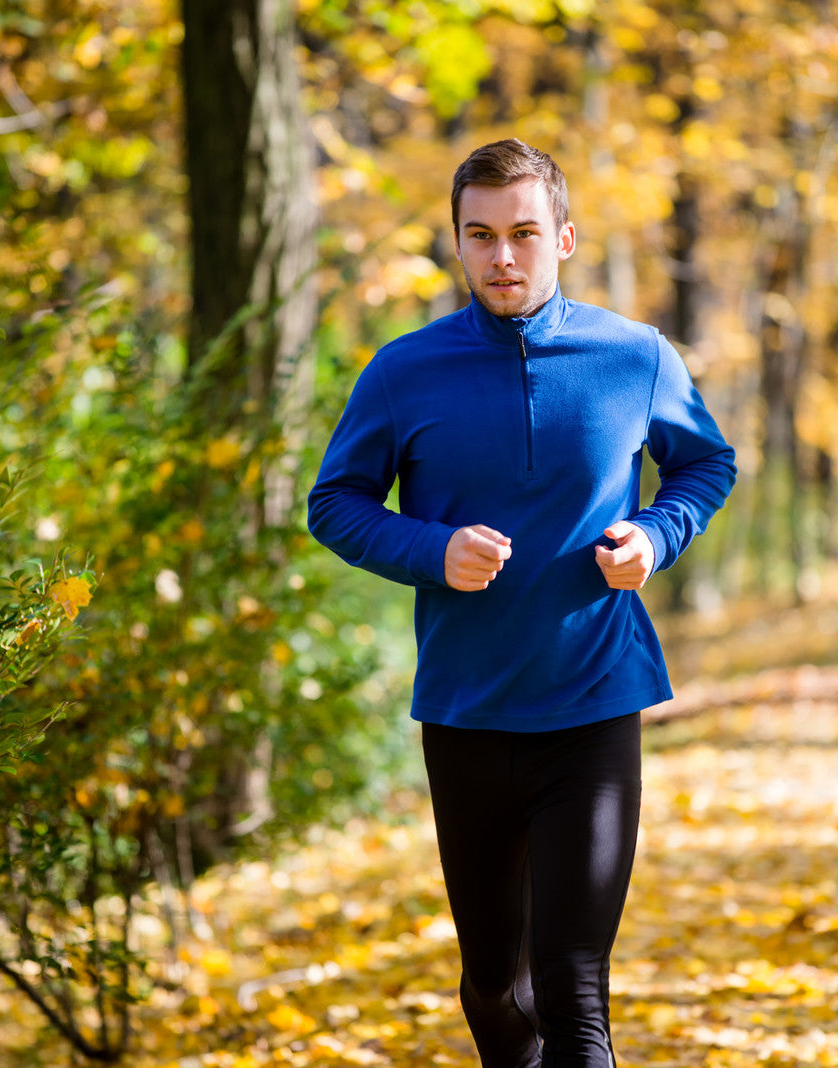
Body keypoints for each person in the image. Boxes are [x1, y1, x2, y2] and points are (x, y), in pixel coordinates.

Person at [307, 138, 736, 1068]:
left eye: (525, 234)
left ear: (565, 238)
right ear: (458, 245)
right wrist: (431, 550)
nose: (504, 256)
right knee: (496, 987)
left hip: (593, 701)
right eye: (482, 235)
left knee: (576, 985)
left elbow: (707, 462)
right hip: (468, 711)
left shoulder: (637, 357)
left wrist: (657, 536)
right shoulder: (402, 372)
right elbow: (333, 505)